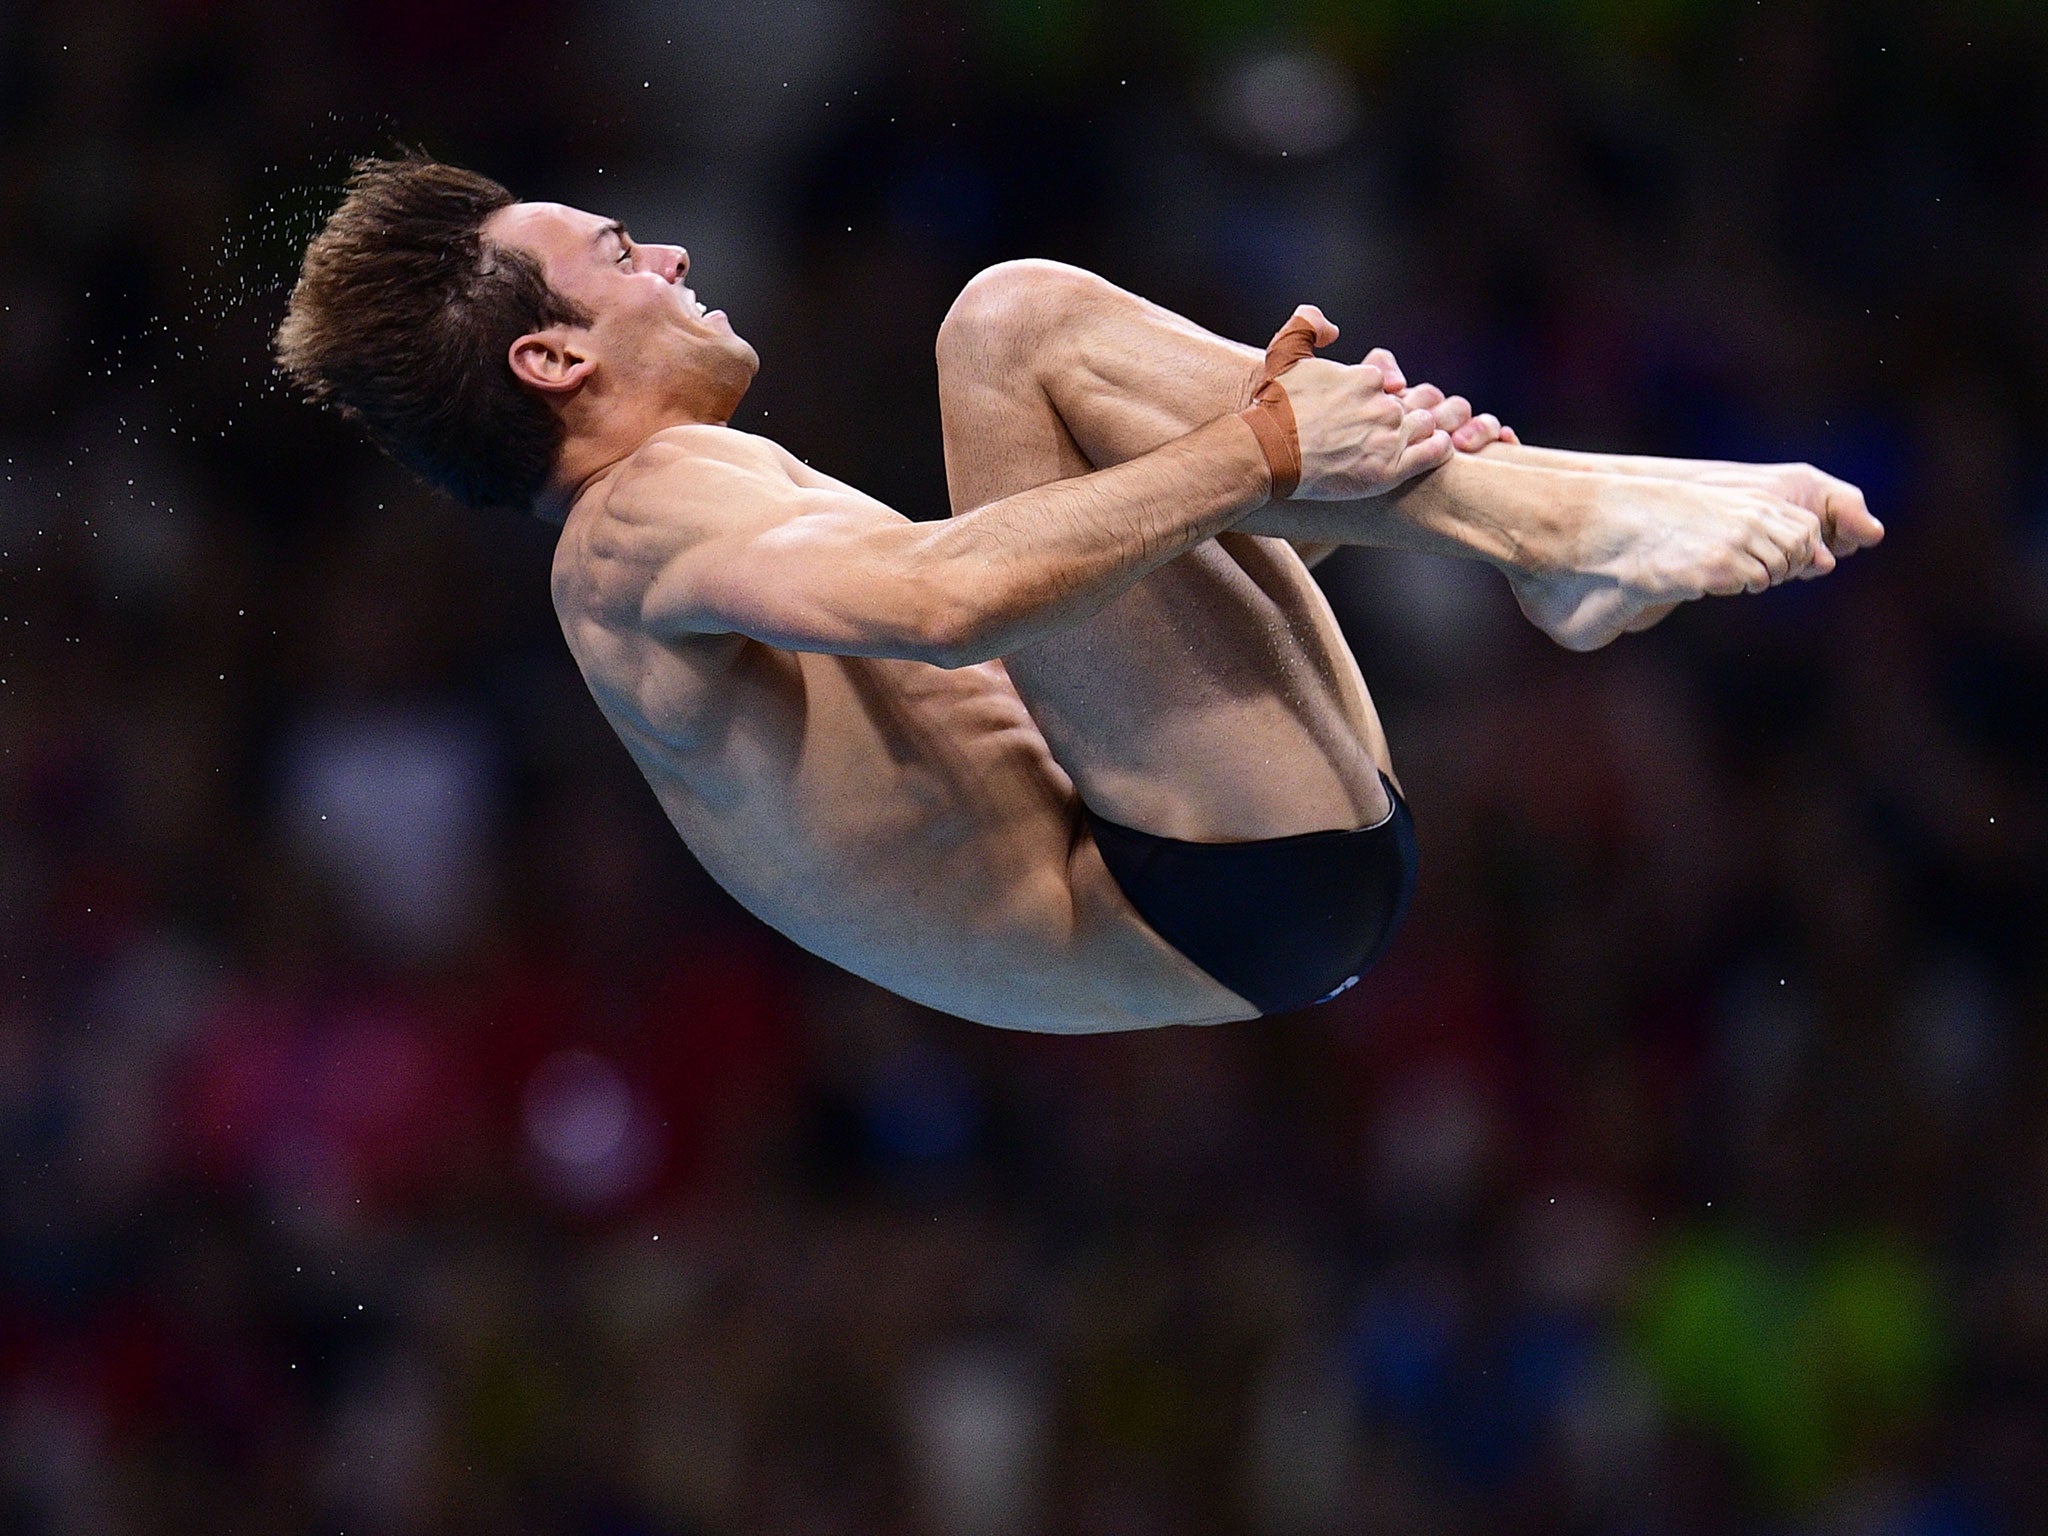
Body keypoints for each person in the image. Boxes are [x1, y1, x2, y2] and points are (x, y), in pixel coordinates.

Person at [275, 155, 1882, 1032]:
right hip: (1204, 891)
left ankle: (1556, 563)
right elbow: (951, 605)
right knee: (1008, 323)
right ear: (551, 359)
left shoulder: (699, 504)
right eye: (622, 254)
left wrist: (1297, 477)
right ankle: (1559, 530)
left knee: (1067, 390)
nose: (674, 262)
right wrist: (1262, 450)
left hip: (1226, 868)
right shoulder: (627, 537)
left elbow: (1075, 632)